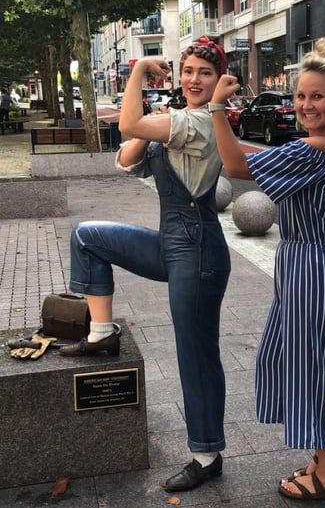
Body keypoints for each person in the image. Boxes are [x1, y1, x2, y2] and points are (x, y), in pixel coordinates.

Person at [59, 36, 231, 492]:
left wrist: (136, 73)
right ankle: (102, 333)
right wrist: (143, 125)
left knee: (196, 354)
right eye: (189, 70)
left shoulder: (199, 123)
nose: (195, 79)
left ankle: (206, 453)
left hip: (199, 250)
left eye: (205, 73)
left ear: (218, 81)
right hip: (170, 244)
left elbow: (130, 122)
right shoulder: (173, 120)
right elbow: (125, 155)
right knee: (87, 236)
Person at [208, 36, 325, 501]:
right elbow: (252, 161)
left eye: (317, 96)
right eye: (301, 95)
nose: (306, 104)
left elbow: (234, 164)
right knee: (295, 361)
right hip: (305, 266)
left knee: (311, 372)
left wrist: (217, 108)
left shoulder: (317, 149)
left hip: (311, 269)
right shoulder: (318, 145)